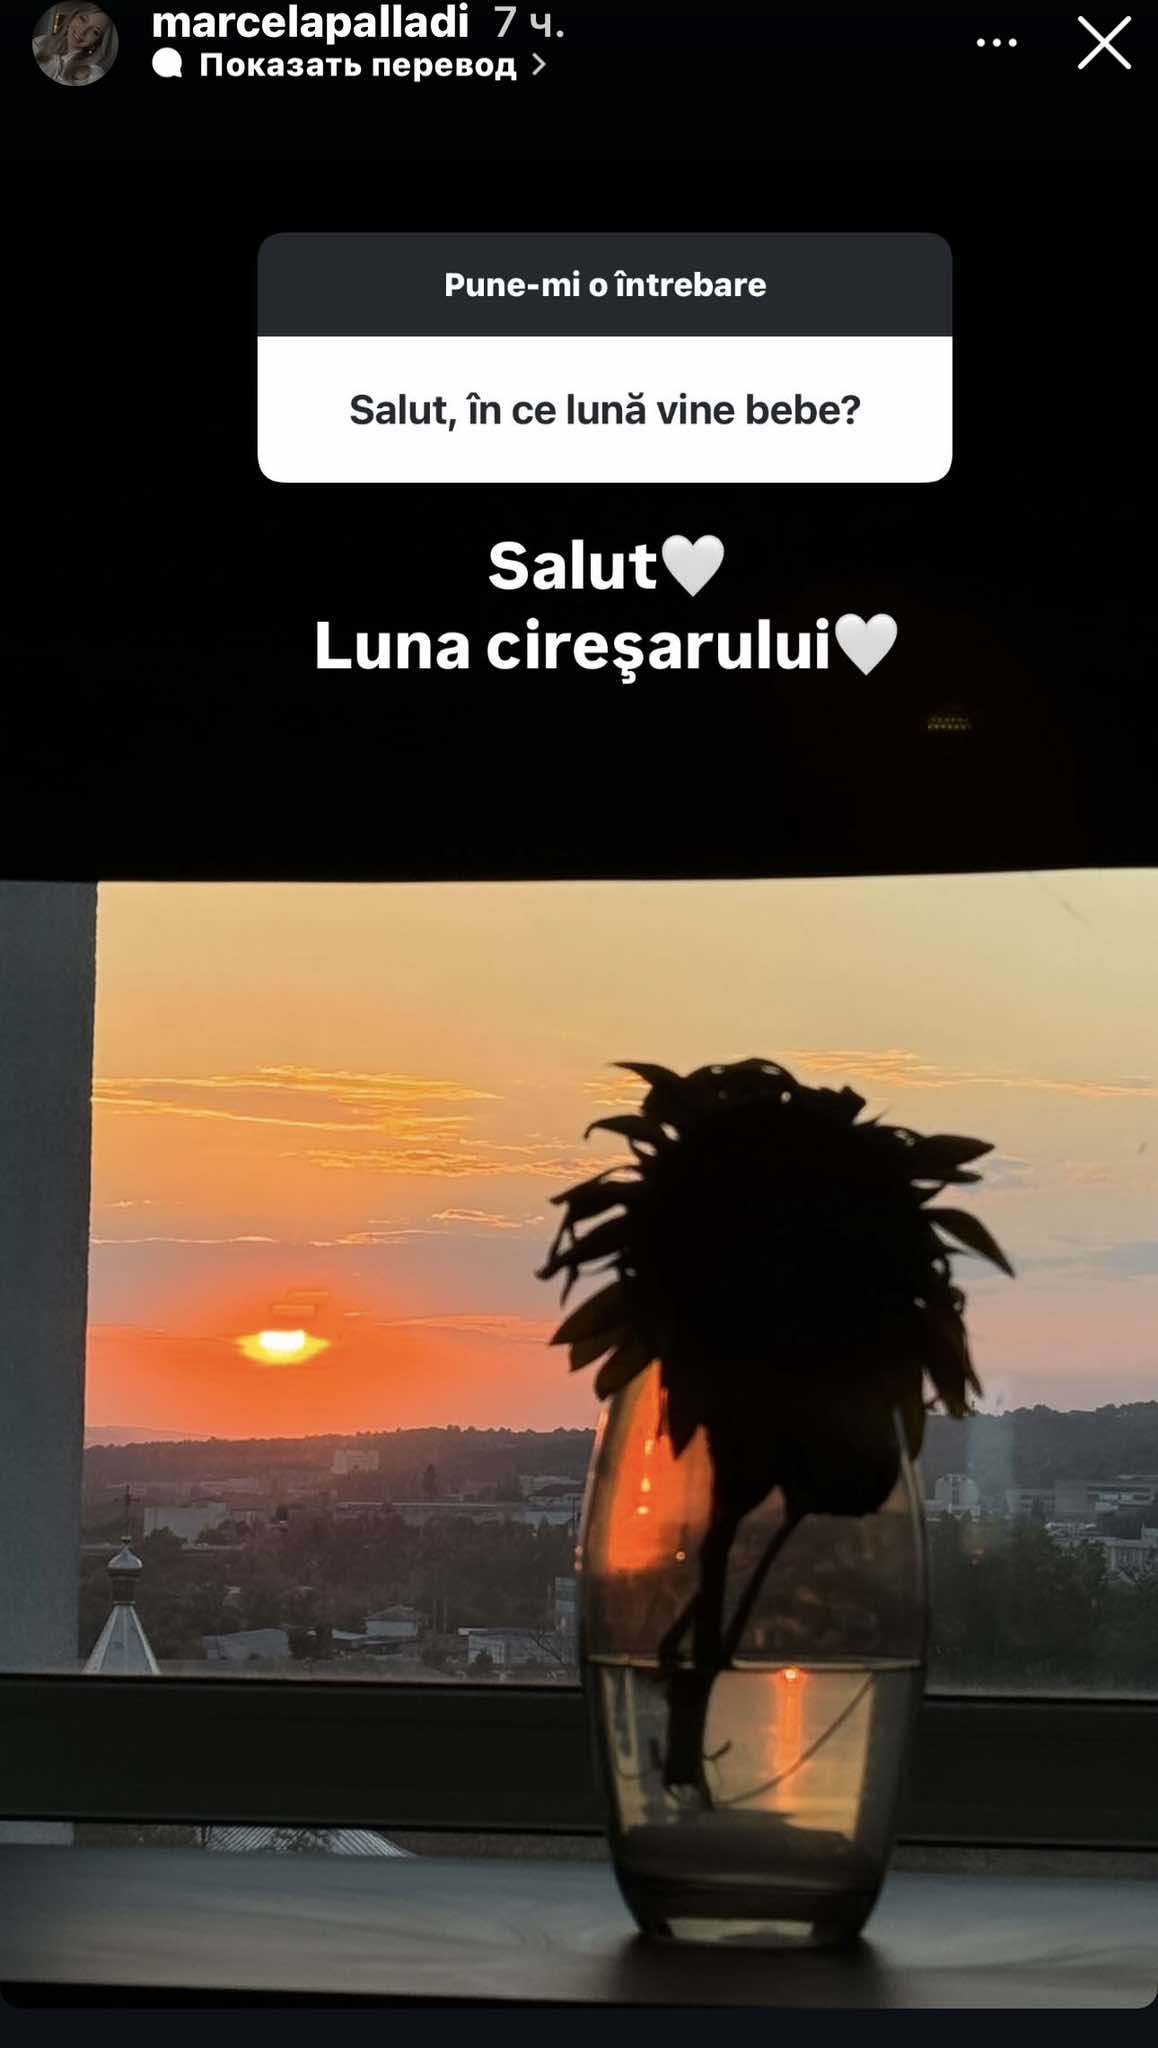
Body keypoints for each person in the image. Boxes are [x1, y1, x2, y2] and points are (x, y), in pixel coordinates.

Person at [33, 6, 117, 85]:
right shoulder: (40, 42)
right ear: (73, 17)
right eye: (83, 19)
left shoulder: (95, 75)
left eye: (95, 32)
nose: (82, 31)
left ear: (98, 42)